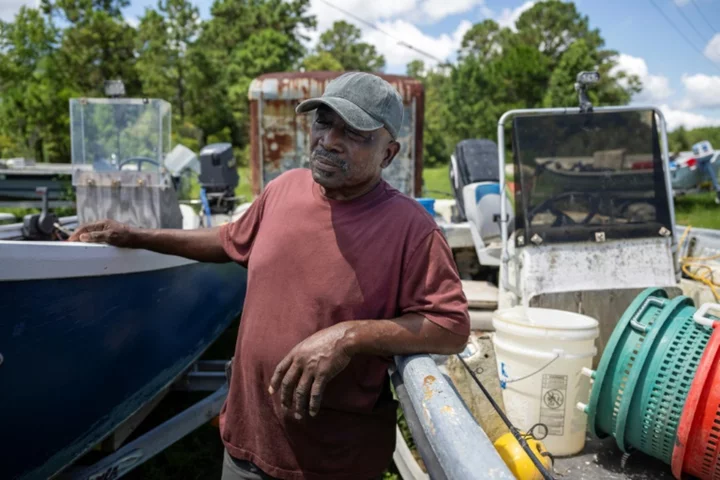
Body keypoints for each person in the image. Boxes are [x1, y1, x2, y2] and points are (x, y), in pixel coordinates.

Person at [68, 71, 470, 480]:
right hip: (245, 444)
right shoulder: (284, 188)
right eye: (324, 122)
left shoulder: (411, 229)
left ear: (388, 154)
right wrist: (136, 235)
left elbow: (450, 327)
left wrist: (350, 336)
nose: (329, 140)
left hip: (333, 463)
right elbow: (229, 239)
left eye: (355, 133)